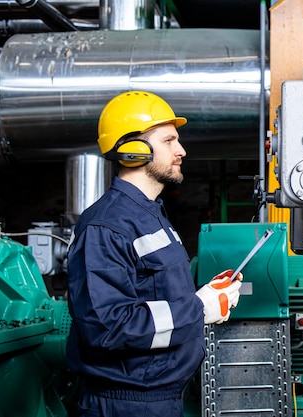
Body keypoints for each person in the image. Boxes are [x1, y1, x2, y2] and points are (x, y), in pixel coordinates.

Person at [66, 90, 242, 417]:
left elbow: (157, 295)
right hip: (125, 405)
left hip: (160, 398)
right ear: (134, 150)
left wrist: (206, 296)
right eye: (169, 141)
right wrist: (197, 309)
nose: (181, 150)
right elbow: (107, 327)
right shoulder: (106, 226)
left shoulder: (150, 215)